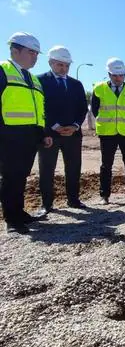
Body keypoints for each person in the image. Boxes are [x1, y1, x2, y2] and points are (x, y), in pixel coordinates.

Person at [0, 32, 53, 234]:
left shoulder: (33, 79)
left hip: (29, 136)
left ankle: (19, 212)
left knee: (21, 175)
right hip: (9, 136)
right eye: (31, 52)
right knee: (10, 176)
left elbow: (39, 110)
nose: (35, 57)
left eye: (36, 54)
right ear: (15, 50)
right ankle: (11, 220)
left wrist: (44, 133)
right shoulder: (3, 70)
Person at [34, 46, 88, 218]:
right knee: (47, 169)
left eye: (66, 65)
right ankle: (47, 204)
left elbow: (82, 109)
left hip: (73, 135)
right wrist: (53, 126)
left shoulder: (76, 84)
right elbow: (39, 108)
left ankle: (73, 199)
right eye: (59, 65)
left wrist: (75, 125)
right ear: (50, 63)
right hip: (49, 134)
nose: (63, 69)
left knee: (73, 168)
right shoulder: (39, 81)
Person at [91, 58, 125, 204]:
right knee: (106, 164)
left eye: (121, 75)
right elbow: (95, 110)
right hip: (107, 133)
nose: (118, 78)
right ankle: (104, 195)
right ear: (109, 74)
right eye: (115, 75)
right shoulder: (99, 89)